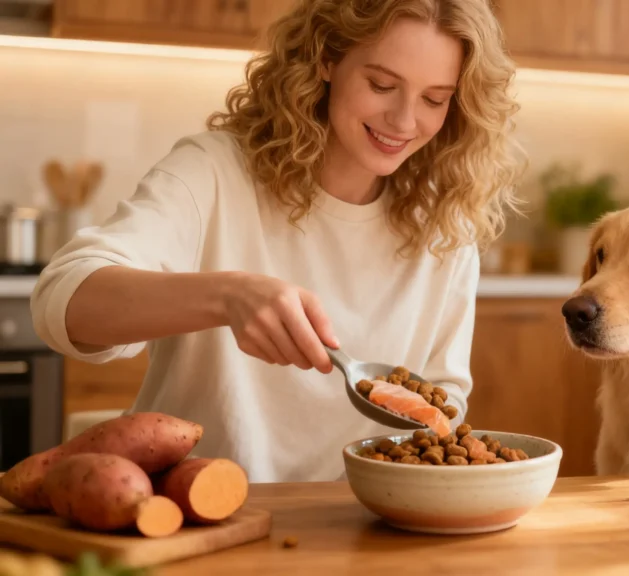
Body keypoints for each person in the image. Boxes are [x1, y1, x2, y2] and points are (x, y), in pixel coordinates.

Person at [30, 0, 525, 483]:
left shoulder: (444, 222)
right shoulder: (215, 172)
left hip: (364, 527)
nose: (403, 120)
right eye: (381, 84)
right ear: (327, 58)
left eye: (434, 99)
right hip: (199, 512)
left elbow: (444, 398)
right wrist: (226, 297)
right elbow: (64, 299)